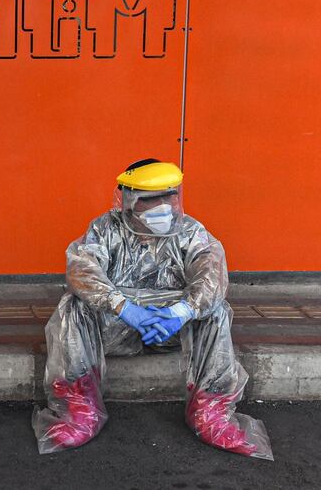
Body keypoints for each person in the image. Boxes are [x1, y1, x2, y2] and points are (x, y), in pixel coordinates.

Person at [31, 159, 273, 460]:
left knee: (216, 311)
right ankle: (79, 407)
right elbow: (82, 270)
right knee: (74, 306)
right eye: (150, 198)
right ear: (128, 199)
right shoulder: (105, 229)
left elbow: (212, 274)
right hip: (116, 330)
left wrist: (181, 312)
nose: (164, 205)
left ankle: (210, 411)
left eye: (170, 195)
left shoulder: (190, 232)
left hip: (172, 331)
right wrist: (124, 308)